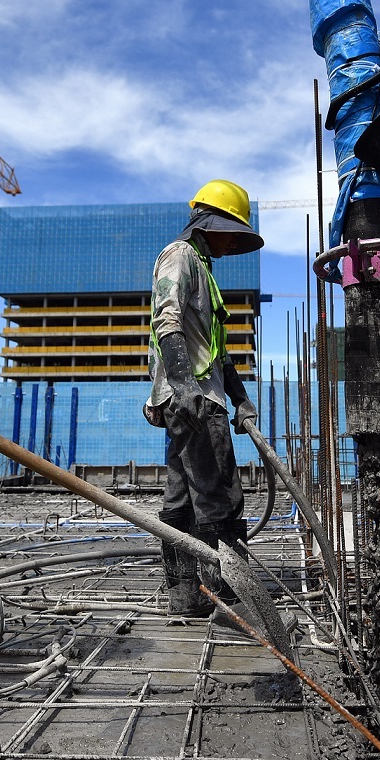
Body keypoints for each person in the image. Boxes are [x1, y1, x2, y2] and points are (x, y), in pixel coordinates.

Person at [145, 180, 262, 624]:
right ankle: (228, 597)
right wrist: (186, 388)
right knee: (219, 498)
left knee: (182, 499)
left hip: (195, 396)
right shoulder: (180, 256)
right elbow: (166, 321)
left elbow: (217, 352)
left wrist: (242, 399)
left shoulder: (202, 268)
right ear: (212, 224)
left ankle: (184, 596)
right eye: (233, 234)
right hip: (193, 399)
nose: (234, 244)